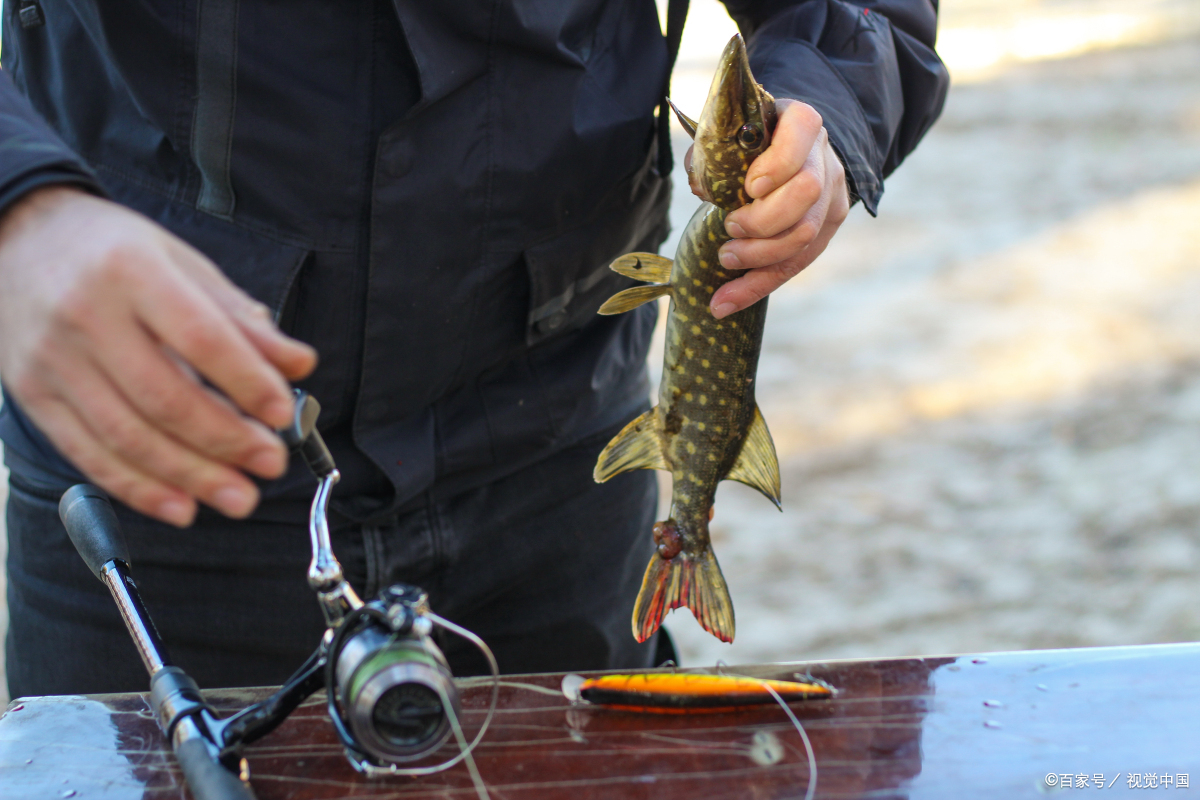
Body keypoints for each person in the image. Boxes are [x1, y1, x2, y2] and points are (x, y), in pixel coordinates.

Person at [0, 0, 947, 697]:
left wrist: (831, 104)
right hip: (155, 452)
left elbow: (858, 17)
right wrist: (21, 204)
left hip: (559, 468)